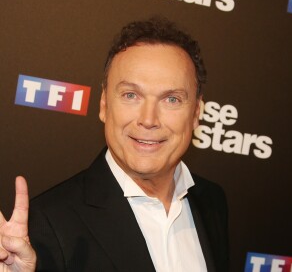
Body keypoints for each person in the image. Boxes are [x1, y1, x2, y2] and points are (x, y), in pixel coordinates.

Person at [0, 17, 229, 271]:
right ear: (104, 105)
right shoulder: (48, 223)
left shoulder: (211, 201)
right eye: (131, 95)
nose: (148, 119)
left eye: (172, 99)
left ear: (197, 113)